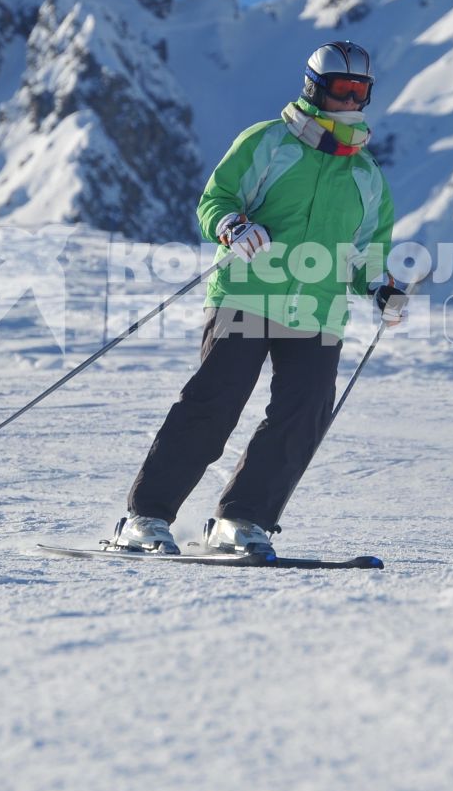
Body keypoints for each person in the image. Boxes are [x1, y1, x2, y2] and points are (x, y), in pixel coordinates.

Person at [111, 41, 406, 557]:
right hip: (247, 293)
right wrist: (232, 225)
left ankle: (241, 519)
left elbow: (366, 256)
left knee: (305, 414)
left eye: (362, 91)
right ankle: (145, 517)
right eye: (343, 89)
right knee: (214, 403)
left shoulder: (367, 176)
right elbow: (216, 200)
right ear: (315, 88)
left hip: (318, 311)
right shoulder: (268, 143)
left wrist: (381, 287)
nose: (352, 100)